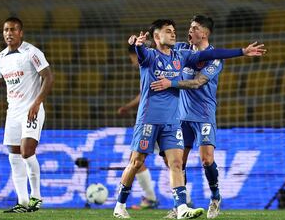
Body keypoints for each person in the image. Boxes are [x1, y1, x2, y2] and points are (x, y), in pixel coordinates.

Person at [113, 19, 265, 219]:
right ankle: (119, 205)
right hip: (150, 119)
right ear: (158, 36)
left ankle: (183, 207)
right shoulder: (151, 56)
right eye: (169, 31)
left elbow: (210, 56)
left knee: (178, 163)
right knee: (136, 162)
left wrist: (241, 52)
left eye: (175, 30)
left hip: (179, 120)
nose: (176, 33)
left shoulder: (182, 55)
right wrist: (136, 44)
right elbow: (141, 53)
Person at [0, 17, 53, 213]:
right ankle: (23, 202)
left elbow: (48, 77)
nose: (9, 33)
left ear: (20, 32)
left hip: (31, 111)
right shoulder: (0, 59)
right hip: (13, 113)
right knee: (14, 156)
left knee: (26, 152)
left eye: (13, 29)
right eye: (6, 30)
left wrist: (37, 103)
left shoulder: (32, 53)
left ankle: (36, 197)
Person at [118, 45, 158, 209]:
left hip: (152, 119)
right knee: (173, 161)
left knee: (136, 160)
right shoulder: (155, 64)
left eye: (132, 57)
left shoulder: (150, 65)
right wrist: (129, 106)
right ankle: (184, 201)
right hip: (163, 118)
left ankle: (150, 198)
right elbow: (145, 93)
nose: (132, 62)